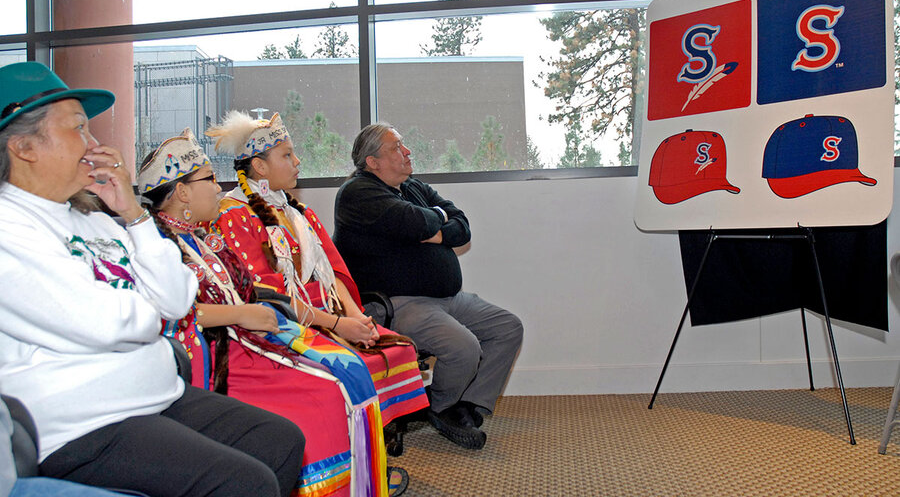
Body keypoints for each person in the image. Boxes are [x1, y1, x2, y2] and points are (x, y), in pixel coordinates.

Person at [0, 62, 304, 497]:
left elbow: (179, 298)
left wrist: (134, 215)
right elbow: (107, 323)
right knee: (244, 482)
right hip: (81, 425)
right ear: (25, 147)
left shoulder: (94, 219)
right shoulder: (9, 228)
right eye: (79, 130)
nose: (94, 145)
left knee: (280, 440)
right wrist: (151, 312)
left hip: (157, 396)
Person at [137, 128, 407, 497]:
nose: (218, 187)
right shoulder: (160, 243)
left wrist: (341, 315)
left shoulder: (199, 236)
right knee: (328, 392)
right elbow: (168, 312)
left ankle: (362, 479)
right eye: (209, 180)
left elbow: (279, 285)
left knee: (346, 375)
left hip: (254, 330)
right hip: (216, 352)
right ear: (182, 192)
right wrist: (244, 315)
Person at [333, 122, 524, 450]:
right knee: (464, 348)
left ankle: (464, 405)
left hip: (448, 298)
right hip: (397, 303)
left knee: (508, 328)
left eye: (403, 145)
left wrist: (434, 227)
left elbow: (461, 226)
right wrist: (436, 219)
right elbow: (419, 221)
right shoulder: (358, 193)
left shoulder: (414, 187)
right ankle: (437, 405)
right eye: (396, 147)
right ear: (372, 162)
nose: (407, 152)